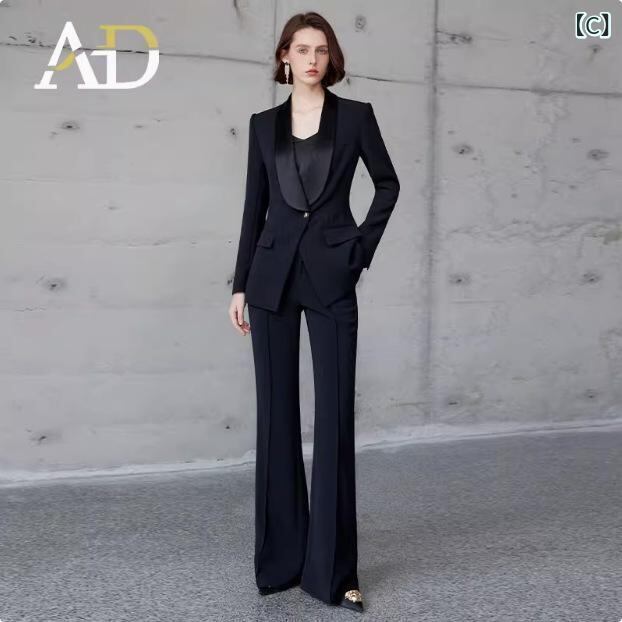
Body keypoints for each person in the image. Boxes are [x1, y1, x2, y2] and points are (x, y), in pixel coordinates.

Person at [227, 11, 400, 613]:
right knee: (275, 419)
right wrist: (240, 285)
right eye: (301, 49)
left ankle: (335, 574)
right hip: (270, 279)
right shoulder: (263, 126)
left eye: (321, 50)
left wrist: (358, 250)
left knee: (334, 422)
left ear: (332, 59)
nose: (311, 59)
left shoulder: (356, 117)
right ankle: (280, 563)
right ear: (285, 57)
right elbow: (254, 208)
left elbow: (387, 184)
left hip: (331, 276)